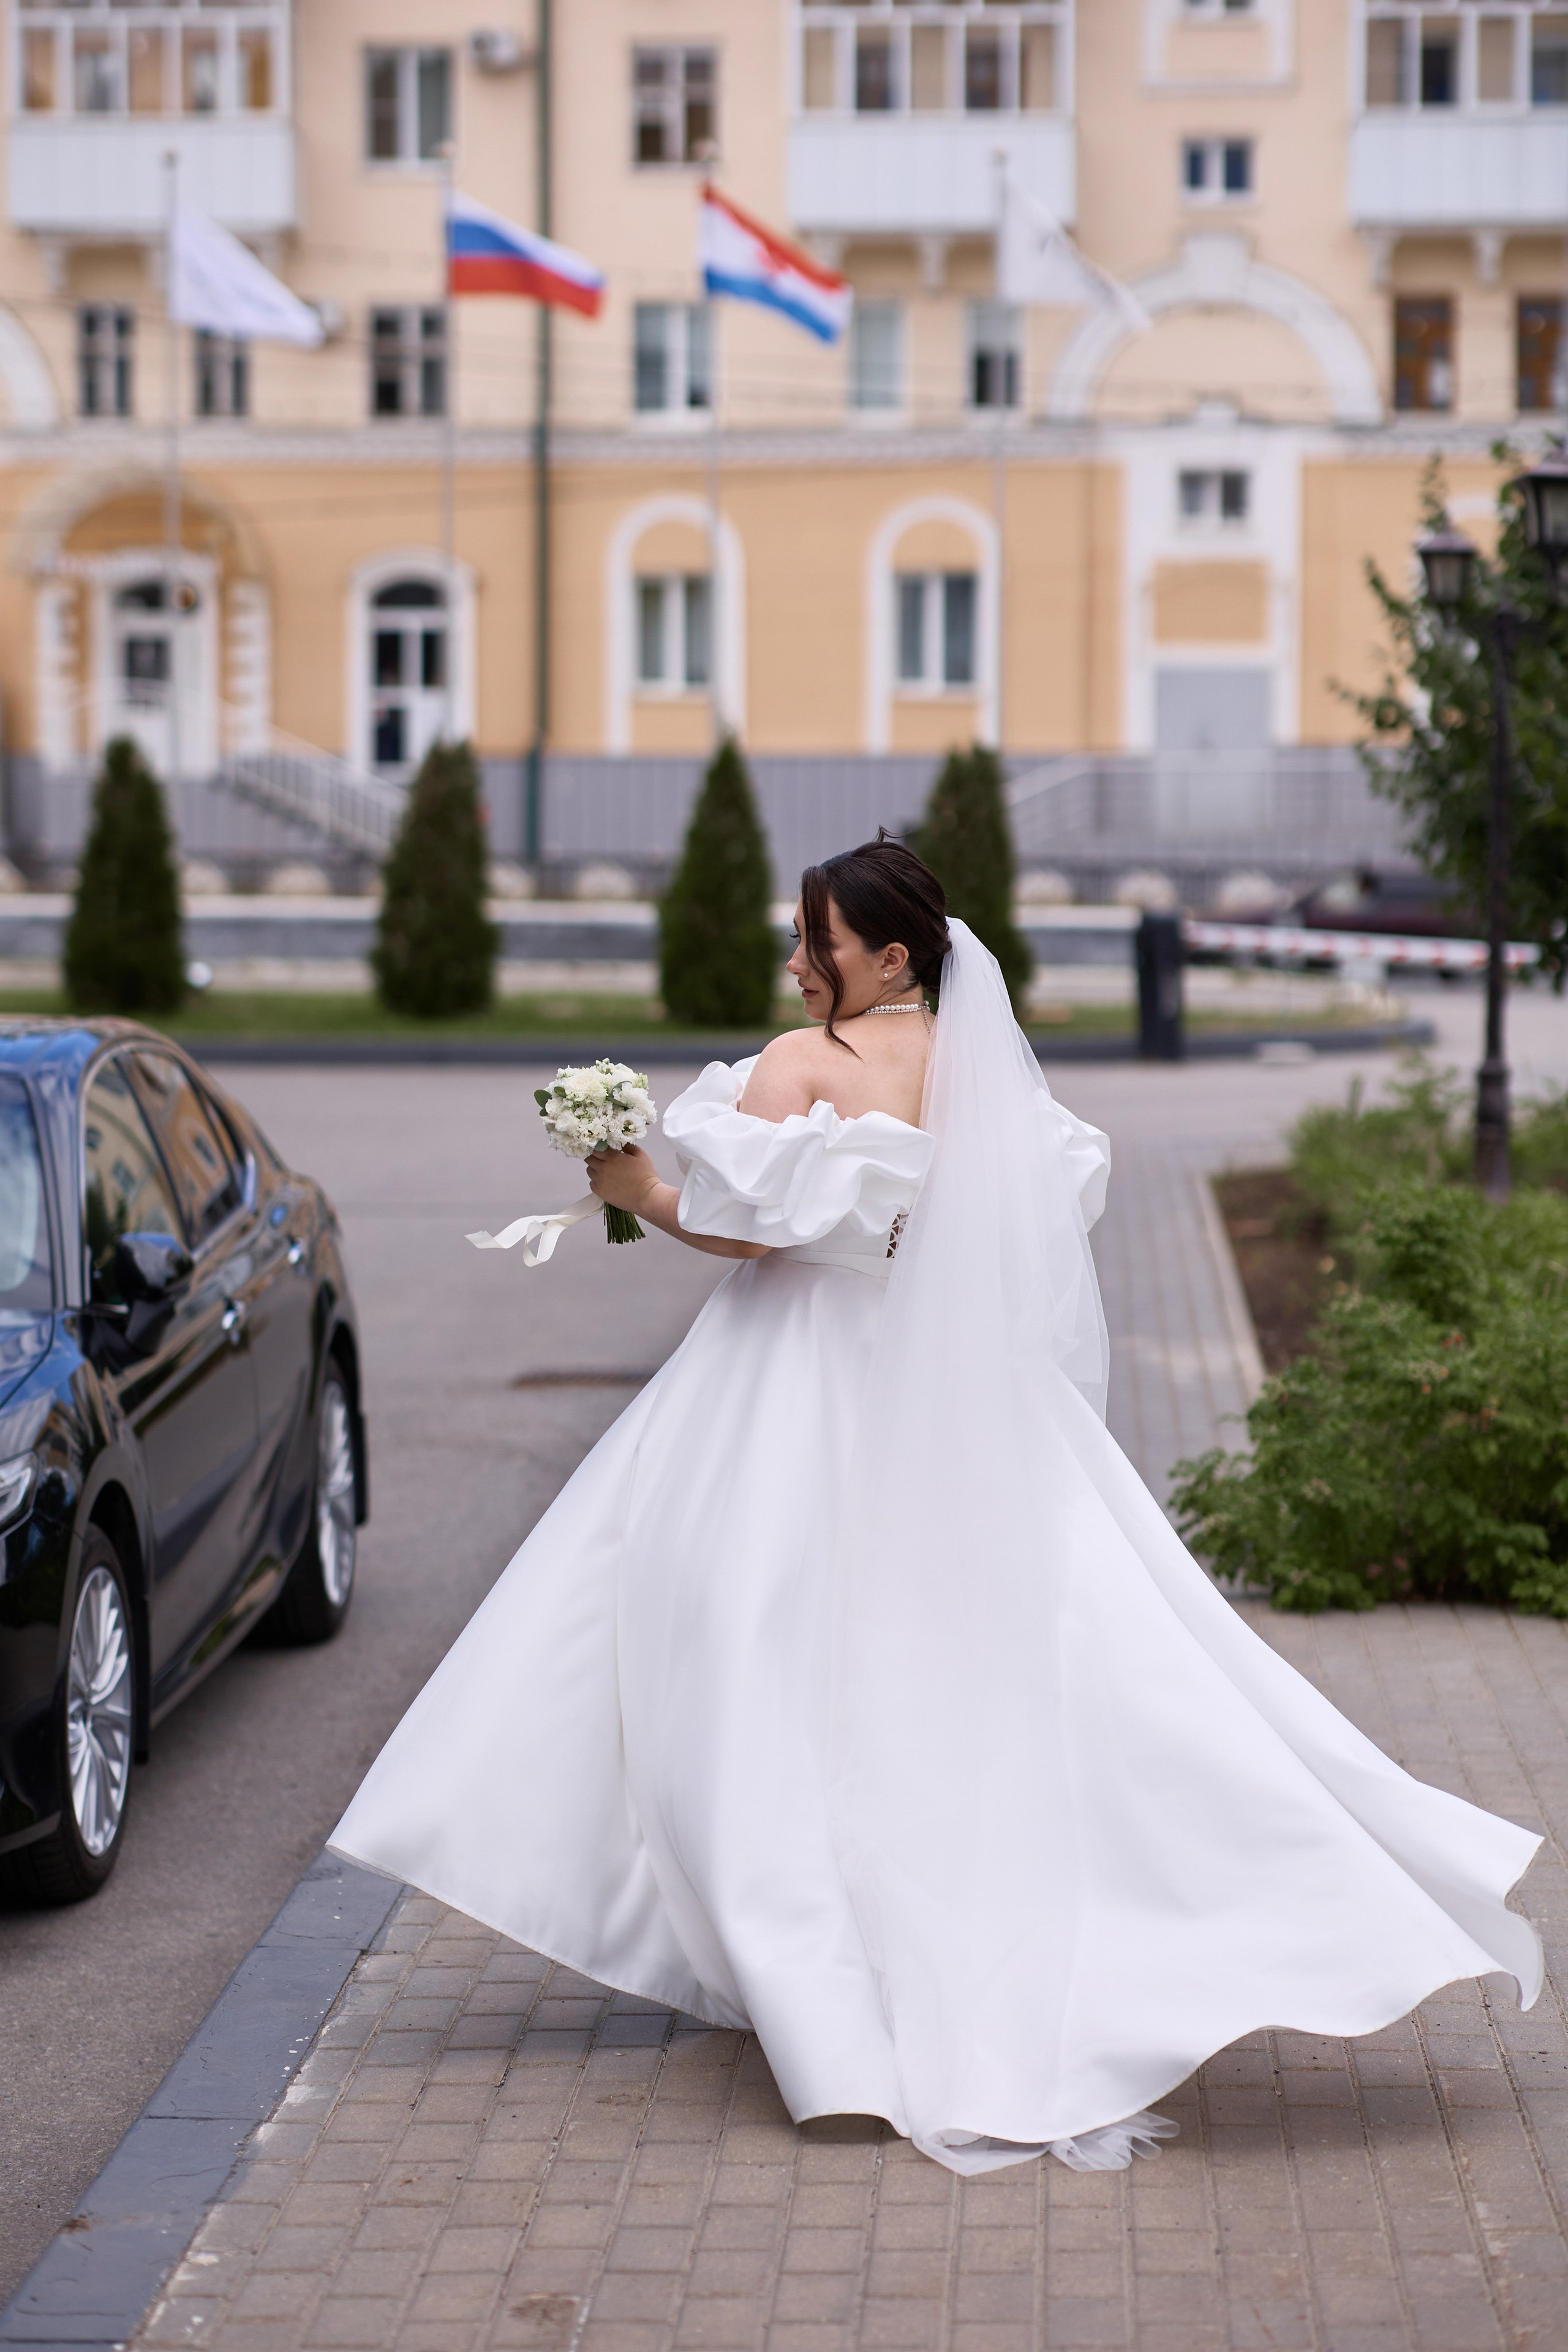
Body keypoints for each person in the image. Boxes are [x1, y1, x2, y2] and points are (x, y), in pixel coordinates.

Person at [331, 834, 1542, 2176]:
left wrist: (635, 1191)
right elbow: (1013, 1226)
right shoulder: (985, 1087)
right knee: (1018, 1661)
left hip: (786, 1386)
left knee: (732, 1658)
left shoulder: (802, 1072)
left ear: (889, 956)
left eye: (819, 946)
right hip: (956, 1398)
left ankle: (819, 2000)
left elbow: (745, 1232)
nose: (799, 967)